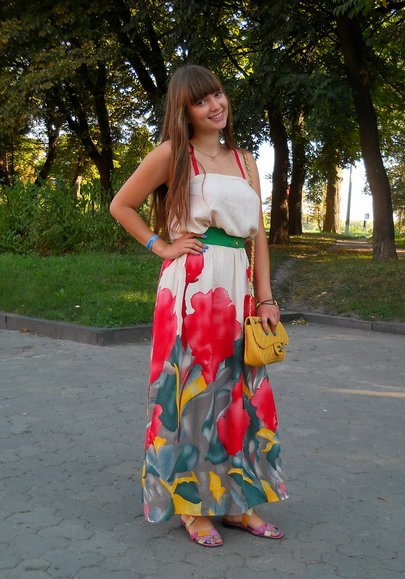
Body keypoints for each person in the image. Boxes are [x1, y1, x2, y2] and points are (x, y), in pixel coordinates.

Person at [110, 65, 287, 548]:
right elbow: (121, 205)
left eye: (218, 94)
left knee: (238, 396)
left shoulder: (246, 161)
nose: (215, 105)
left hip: (238, 286)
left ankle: (236, 503)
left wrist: (266, 297)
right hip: (191, 287)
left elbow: (258, 236)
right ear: (184, 110)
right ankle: (191, 506)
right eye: (202, 100)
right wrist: (161, 246)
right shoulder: (173, 154)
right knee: (193, 394)